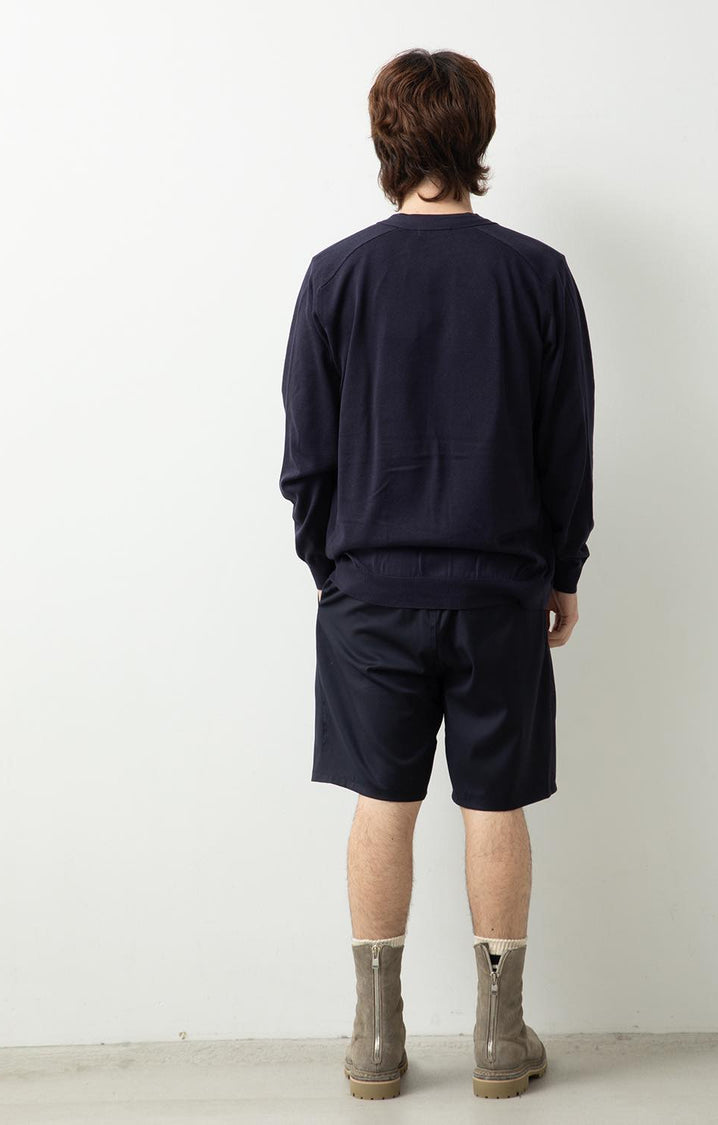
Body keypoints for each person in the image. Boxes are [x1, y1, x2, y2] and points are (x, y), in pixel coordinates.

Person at [278, 47, 595, 1100]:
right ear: (477, 137)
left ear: (387, 138)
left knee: (384, 801)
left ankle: (376, 1041)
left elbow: (306, 457)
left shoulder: (336, 275)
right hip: (499, 591)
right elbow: (566, 447)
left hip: (370, 592)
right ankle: (500, 1042)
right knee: (493, 804)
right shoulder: (537, 275)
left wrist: (333, 568)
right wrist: (561, 569)